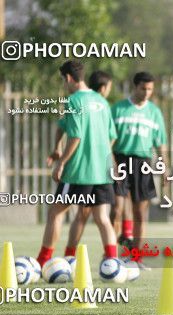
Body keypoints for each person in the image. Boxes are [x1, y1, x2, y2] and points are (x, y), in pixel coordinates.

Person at [37, 60, 118, 267]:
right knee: (102, 218)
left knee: (55, 212)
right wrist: (57, 146)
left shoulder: (74, 101)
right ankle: (112, 263)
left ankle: (42, 261)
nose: (65, 85)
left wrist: (61, 162)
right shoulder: (101, 102)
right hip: (102, 170)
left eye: (64, 81)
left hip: (79, 171)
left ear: (69, 78)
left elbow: (76, 136)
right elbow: (111, 136)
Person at [110, 72, 169, 268]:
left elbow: (160, 144)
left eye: (150, 89)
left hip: (143, 163)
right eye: (143, 88)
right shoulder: (119, 109)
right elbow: (108, 141)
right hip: (119, 160)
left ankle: (136, 258)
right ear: (134, 87)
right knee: (116, 209)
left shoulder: (154, 112)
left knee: (140, 213)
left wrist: (164, 168)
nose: (147, 93)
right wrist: (112, 164)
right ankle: (110, 256)